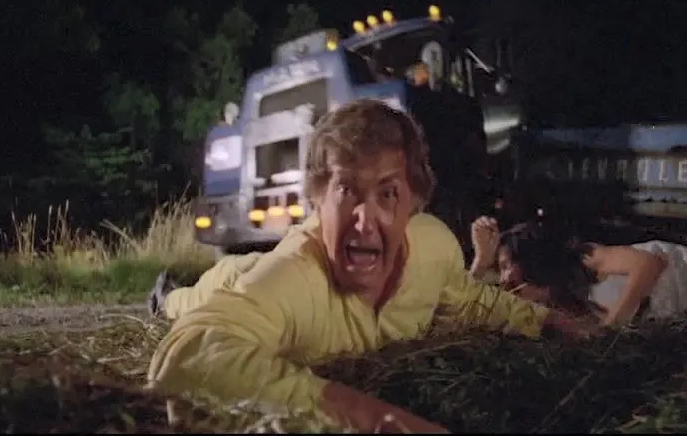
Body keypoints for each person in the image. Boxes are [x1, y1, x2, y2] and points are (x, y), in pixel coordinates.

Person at [145, 100, 597, 434]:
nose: (365, 219)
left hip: (263, 273)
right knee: (203, 293)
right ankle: (167, 295)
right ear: (317, 199)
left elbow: (469, 297)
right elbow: (187, 359)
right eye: (347, 191)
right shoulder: (296, 277)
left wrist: (546, 320)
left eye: (387, 193)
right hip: (245, 280)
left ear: (414, 202)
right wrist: (376, 422)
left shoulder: (434, 247)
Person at [471, 216, 687, 326]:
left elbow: (649, 263)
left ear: (530, 258)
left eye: (506, 266)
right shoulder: (555, 303)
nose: (504, 278)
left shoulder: (583, 258)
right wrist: (480, 261)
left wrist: (613, 325)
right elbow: (471, 306)